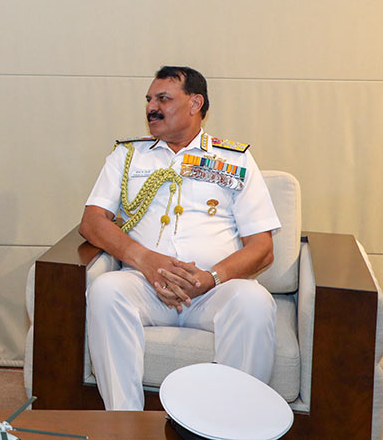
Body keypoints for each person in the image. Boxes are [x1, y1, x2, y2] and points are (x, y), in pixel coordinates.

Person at [80, 66, 280, 410]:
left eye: (163, 98)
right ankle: (123, 422)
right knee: (105, 290)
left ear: (195, 103)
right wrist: (146, 261)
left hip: (212, 291)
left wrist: (209, 278)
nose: (151, 107)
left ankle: (232, 422)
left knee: (254, 302)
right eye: (148, 100)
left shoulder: (234, 159)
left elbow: (262, 248)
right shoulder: (128, 156)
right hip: (146, 286)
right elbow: (91, 222)